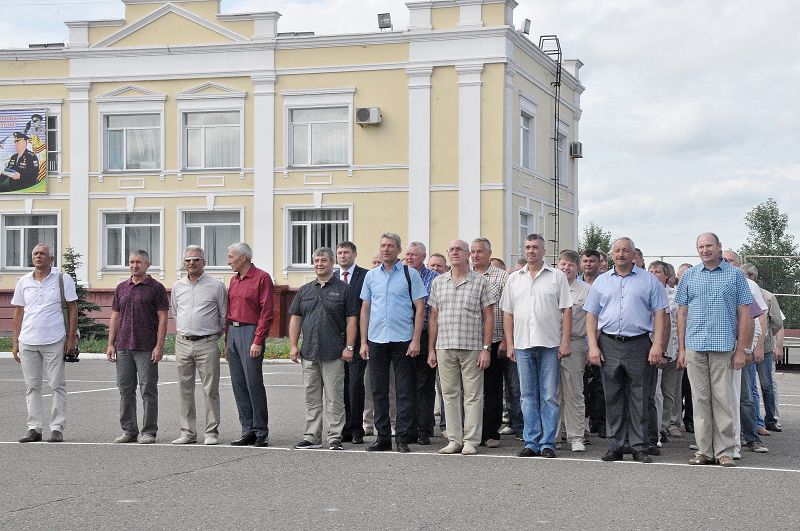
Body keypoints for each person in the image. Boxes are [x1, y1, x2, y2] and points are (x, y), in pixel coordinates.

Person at [584, 237, 667, 463]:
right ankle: (616, 446)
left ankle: (639, 446)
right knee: (612, 396)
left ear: (633, 255)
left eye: (625, 251)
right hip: (608, 343)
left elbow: (660, 313)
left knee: (640, 397)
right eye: (617, 251)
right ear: (612, 254)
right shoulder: (601, 282)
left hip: (639, 343)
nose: (621, 254)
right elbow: (591, 315)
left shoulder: (649, 280)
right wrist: (592, 346)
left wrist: (658, 345)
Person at [676, 233, 753, 467]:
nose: (705, 250)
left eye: (709, 245)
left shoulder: (735, 275)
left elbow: (745, 313)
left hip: (723, 347)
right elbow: (682, 313)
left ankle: (725, 451)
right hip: (695, 346)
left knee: (723, 400)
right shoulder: (689, 276)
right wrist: (682, 349)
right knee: (700, 400)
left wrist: (741, 350)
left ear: (719, 247)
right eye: (701, 246)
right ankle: (704, 451)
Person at [501, 234, 572, 458]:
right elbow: (508, 313)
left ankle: (548, 442)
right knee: (527, 395)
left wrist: (565, 342)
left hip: (550, 344)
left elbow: (567, 310)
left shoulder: (557, 276)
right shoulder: (514, 279)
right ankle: (531, 441)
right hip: (522, 344)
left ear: (543, 251)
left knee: (549, 395)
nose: (531, 251)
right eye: (528, 247)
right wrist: (510, 343)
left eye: (535, 247)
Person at [360, 232, 427, 453]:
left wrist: (416, 340)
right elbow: (365, 309)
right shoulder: (371, 276)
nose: (386, 249)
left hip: (403, 339)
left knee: (404, 391)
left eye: (390, 246)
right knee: (378, 390)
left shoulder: (410, 274)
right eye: (383, 245)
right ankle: (382, 438)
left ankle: (402, 437)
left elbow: (420, 308)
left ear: (398, 250)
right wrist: (363, 342)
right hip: (377, 339)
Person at [427, 239, 493, 455]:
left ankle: (471, 441)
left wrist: (486, 348)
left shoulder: (480, 281)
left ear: (468, 255)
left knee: (473, 395)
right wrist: (431, 349)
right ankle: (454, 440)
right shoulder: (438, 282)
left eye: (459, 250)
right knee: (449, 394)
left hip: (472, 346)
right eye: (452, 249)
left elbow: (488, 316)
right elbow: (433, 318)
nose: (455, 252)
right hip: (444, 346)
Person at [289, 247, 358, 451]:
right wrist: (293, 345)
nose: (320, 264)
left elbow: (351, 320)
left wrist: (349, 347)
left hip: (334, 353)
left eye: (324, 260)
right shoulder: (305, 290)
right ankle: (312, 437)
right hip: (309, 352)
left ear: (332, 263)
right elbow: (296, 318)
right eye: (317, 261)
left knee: (334, 398)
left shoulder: (344, 290)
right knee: (312, 397)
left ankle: (335, 437)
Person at [11, 243, 77, 443]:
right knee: (32, 386)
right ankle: (34, 428)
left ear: (51, 259)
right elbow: (18, 311)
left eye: (42, 253)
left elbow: (73, 308)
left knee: (57, 385)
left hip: (54, 339)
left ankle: (57, 428)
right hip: (28, 341)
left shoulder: (62, 279)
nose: (38, 256)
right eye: (35, 253)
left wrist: (70, 339)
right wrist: (15, 341)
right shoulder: (24, 281)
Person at [106, 250, 169, 444]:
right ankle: (129, 430)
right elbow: (115, 316)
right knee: (125, 389)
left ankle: (149, 431)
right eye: (132, 262)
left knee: (148, 390)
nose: (134, 265)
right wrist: (111, 343)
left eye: (139, 262)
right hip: (123, 346)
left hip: (146, 347)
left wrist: (159, 346)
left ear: (148, 265)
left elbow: (163, 318)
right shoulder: (121, 288)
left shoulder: (156, 288)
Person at [170, 245, 227, 446]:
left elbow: (223, 315)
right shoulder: (177, 286)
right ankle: (188, 432)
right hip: (183, 342)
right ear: (184, 263)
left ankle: (211, 432)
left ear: (204, 262)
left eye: (196, 259)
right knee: (185, 389)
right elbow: (176, 312)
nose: (192, 263)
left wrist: (213, 335)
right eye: (188, 260)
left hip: (207, 343)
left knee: (210, 389)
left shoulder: (216, 286)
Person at [226, 242, 274, 447]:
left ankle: (261, 430)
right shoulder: (234, 280)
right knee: (239, 384)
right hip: (233, 332)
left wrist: (258, 340)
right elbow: (229, 311)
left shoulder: (262, 278)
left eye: (231, 257)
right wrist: (227, 341)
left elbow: (267, 312)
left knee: (253, 383)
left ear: (242, 257)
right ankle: (247, 430)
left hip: (250, 331)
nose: (228, 261)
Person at [470, 237, 509, 448]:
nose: (475, 255)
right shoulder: (465, 274)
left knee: (492, 389)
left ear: (489, 253)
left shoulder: (502, 277)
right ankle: (473, 432)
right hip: (469, 341)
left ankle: (491, 432)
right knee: (471, 390)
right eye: (473, 252)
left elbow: (509, 309)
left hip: (494, 340)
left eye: (480, 251)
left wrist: (506, 340)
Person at [741, 263, 784, 433]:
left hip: (764, 348)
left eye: (747, 276)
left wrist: (769, 338)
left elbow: (778, 322)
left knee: (766, 385)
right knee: (751, 386)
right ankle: (756, 422)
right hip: (747, 348)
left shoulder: (768, 296)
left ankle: (771, 418)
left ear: (754, 277)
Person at [404, 242, 439, 445]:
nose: (409, 258)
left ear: (423, 257)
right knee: (406, 384)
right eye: (407, 254)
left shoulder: (434, 278)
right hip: (403, 335)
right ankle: (409, 428)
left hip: (426, 335)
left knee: (424, 384)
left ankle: (424, 429)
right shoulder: (400, 275)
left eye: (414, 255)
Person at [336, 241, 370, 444]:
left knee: (355, 384)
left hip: (358, 340)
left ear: (355, 254)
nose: (342, 256)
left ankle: (356, 428)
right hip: (336, 341)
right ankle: (343, 428)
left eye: (346, 252)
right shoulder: (331, 277)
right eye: (340, 253)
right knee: (339, 385)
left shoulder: (366, 276)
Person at [556, 250, 590, 452]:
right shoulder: (551, 286)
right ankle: (553, 436)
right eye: (563, 264)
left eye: (570, 265)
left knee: (574, 392)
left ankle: (576, 436)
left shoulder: (586, 290)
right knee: (552, 393)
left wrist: (590, 348)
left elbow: (593, 321)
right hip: (550, 344)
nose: (566, 267)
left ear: (578, 268)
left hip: (575, 343)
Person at [580, 249, 605, 437]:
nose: (588, 264)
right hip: (579, 339)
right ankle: (585, 423)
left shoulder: (605, 283)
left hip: (601, 338)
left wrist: (593, 343)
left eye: (592, 261)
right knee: (582, 385)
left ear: (599, 263)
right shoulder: (574, 283)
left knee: (601, 383)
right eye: (585, 261)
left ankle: (601, 423)